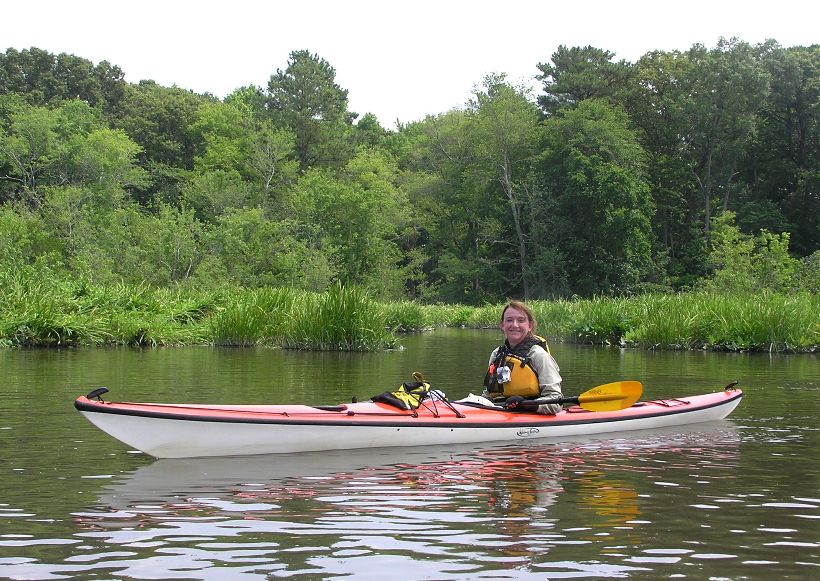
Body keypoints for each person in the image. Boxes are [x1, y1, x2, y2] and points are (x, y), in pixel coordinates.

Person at [483, 301, 563, 414]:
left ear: (529, 326)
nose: (514, 325)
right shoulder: (497, 355)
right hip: (501, 413)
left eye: (521, 320)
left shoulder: (539, 355)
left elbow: (556, 402)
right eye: (509, 320)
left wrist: (527, 404)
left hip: (530, 414)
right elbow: (488, 396)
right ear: (502, 325)